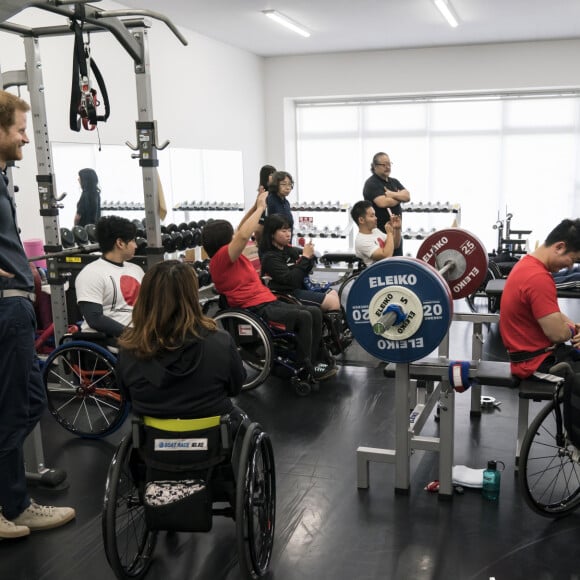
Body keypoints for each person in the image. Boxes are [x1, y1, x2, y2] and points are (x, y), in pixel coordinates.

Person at [0, 90, 75, 539]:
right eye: (20, 129)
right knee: (15, 406)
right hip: (5, 307)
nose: (26, 139)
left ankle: (14, 501)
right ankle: (14, 504)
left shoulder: (3, 176)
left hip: (14, 305)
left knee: (26, 403)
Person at [202, 190, 337, 381]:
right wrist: (260, 208)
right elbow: (242, 235)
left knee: (315, 312)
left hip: (267, 300)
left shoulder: (230, 256)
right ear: (224, 241)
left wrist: (256, 205)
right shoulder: (220, 259)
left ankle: (317, 359)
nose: (236, 236)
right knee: (305, 316)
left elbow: (241, 229)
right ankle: (304, 366)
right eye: (231, 235)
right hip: (254, 308)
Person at [117, 260, 247, 431]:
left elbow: (127, 396)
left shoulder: (128, 348)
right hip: (214, 444)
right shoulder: (221, 341)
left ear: (145, 297)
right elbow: (235, 387)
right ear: (192, 296)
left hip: (151, 447)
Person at [500, 218, 580, 380]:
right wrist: (572, 331)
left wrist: (576, 329)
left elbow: (552, 314)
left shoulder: (528, 264)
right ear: (559, 247)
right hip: (536, 365)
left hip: (538, 356)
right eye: (572, 260)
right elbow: (558, 335)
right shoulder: (538, 278)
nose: (571, 267)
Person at [75, 215, 144, 341]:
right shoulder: (91, 273)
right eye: (133, 241)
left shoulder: (137, 270)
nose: (136, 246)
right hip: (108, 340)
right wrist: (133, 335)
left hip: (136, 338)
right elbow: (94, 319)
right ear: (120, 243)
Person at [259, 213, 340, 311]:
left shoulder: (289, 250)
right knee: (333, 302)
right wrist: (305, 257)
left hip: (299, 287)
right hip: (286, 293)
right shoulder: (270, 257)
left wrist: (310, 257)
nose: (288, 234)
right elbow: (292, 280)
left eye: (289, 230)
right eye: (283, 231)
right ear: (272, 233)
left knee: (333, 293)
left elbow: (305, 270)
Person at [362, 152, 410, 256]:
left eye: (389, 164)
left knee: (398, 265)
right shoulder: (371, 183)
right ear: (375, 166)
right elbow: (383, 202)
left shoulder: (394, 181)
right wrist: (398, 196)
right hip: (379, 235)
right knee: (385, 268)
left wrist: (391, 194)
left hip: (396, 233)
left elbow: (407, 196)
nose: (387, 167)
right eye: (384, 165)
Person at [351, 200, 402, 267]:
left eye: (374, 215)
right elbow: (386, 256)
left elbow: (394, 245)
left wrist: (397, 229)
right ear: (361, 220)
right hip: (376, 274)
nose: (376, 218)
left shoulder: (375, 231)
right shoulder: (361, 240)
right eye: (372, 216)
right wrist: (389, 233)